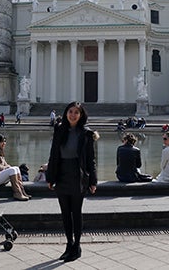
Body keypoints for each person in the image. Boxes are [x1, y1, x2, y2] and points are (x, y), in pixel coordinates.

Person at [46, 101, 98, 263]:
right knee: (65, 213)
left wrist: (93, 181)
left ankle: (77, 246)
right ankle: (69, 244)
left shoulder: (86, 133)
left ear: (81, 115)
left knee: (76, 212)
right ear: (66, 113)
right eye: (70, 111)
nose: (73, 115)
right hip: (62, 173)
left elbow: (91, 159)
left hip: (78, 174)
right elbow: (53, 154)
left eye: (76, 112)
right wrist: (50, 177)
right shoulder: (59, 129)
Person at [0, 133, 29, 201]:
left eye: (4, 141)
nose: (4, 143)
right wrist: (7, 167)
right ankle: (17, 193)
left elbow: (6, 165)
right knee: (12, 170)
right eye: (2, 141)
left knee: (16, 168)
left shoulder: (0, 153)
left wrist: (7, 167)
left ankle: (22, 191)